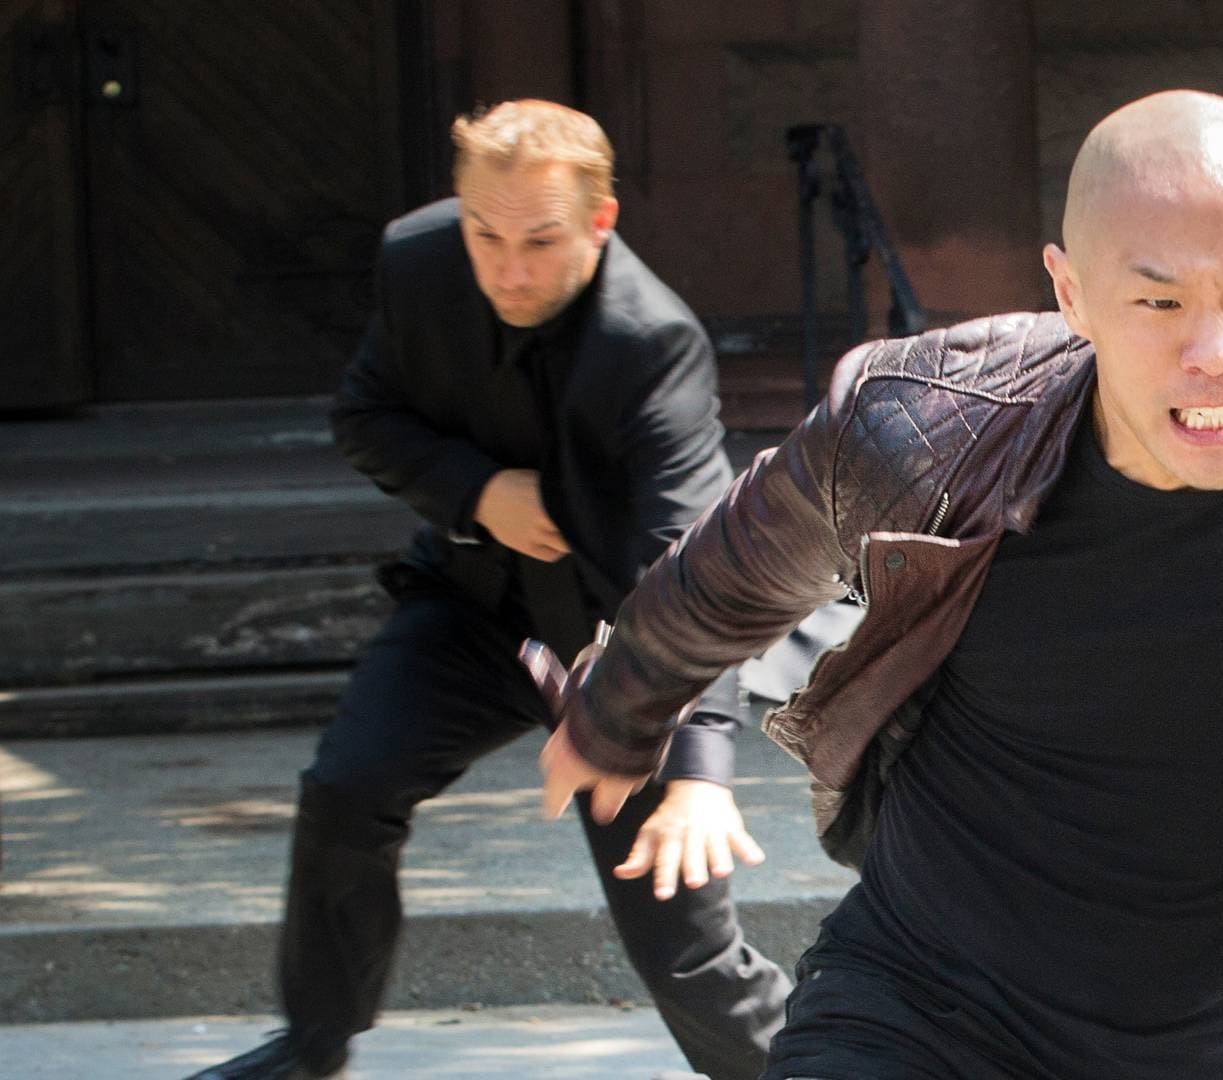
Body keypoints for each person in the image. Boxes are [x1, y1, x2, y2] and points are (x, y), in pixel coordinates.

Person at [540, 90, 1223, 1079]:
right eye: (1160, 303)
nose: (1217, 350)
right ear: (1072, 292)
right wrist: (617, 711)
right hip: (902, 1008)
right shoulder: (927, 427)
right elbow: (728, 575)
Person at [190, 100, 787, 1080]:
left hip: (617, 649)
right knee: (347, 788)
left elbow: (688, 563)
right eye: (485, 235)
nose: (508, 271)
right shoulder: (418, 263)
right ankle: (311, 1050)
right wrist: (478, 492)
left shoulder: (651, 343)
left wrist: (697, 773)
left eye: (540, 242)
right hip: (471, 613)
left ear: (599, 221)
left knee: (684, 944)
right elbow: (366, 415)